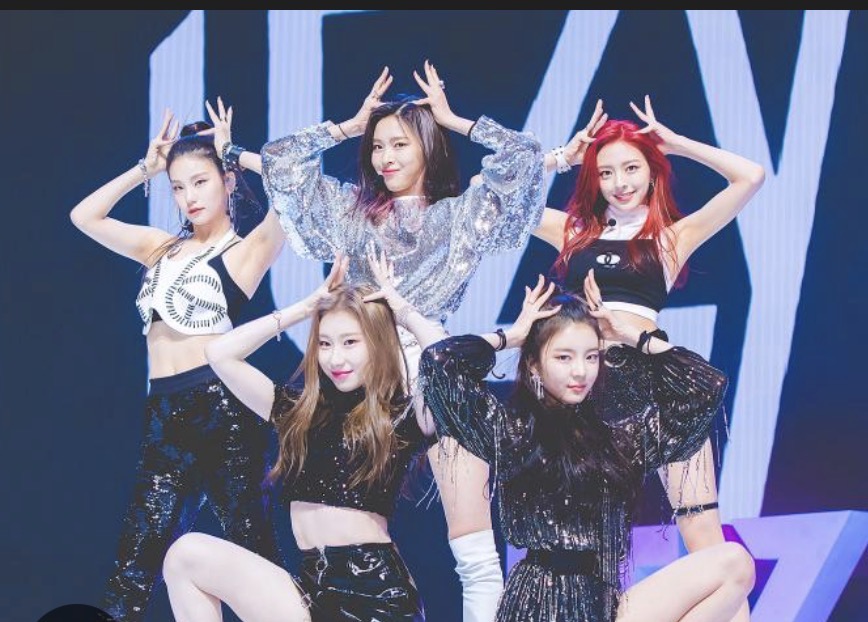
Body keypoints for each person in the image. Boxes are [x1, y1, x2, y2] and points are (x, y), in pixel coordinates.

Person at [234, 61, 547, 621]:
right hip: (357, 378)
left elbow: (523, 157)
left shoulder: (459, 217)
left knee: (473, 549)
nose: (386, 157)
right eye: (377, 146)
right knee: (342, 517)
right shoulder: (353, 214)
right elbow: (281, 161)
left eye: (400, 143)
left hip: (431, 375)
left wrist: (454, 120)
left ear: (428, 146)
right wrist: (346, 128)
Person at [532, 96, 765, 621]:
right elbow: (488, 202)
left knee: (702, 531)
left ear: (652, 171)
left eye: (632, 168)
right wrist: (560, 158)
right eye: (606, 172)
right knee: (584, 531)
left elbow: (750, 176)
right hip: (588, 390)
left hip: (659, 388)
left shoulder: (670, 238)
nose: (620, 182)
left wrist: (678, 144)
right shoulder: (574, 232)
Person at [407, 274, 754, 621]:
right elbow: (439, 362)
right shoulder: (511, 430)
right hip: (538, 604)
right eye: (564, 357)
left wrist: (631, 336)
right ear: (534, 365)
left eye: (591, 357)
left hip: (602, 603)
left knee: (735, 564)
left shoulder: (619, 439)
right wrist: (511, 336)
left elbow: (706, 386)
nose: (580, 371)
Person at [69, 99, 286, 621]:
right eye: (177, 187)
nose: (189, 197)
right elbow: (83, 216)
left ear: (227, 182)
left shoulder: (246, 249)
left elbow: (296, 187)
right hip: (164, 415)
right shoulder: (160, 247)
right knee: (135, 561)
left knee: (255, 549)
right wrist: (143, 170)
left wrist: (234, 152)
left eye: (201, 182)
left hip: (223, 410)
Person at [162, 254, 433, 621]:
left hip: (377, 597)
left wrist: (402, 313)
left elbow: (449, 367)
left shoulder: (399, 416)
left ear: (377, 342)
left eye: (350, 342)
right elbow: (220, 353)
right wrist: (305, 308)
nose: (335, 358)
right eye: (325, 343)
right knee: (186, 555)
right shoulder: (298, 412)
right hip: (309, 589)